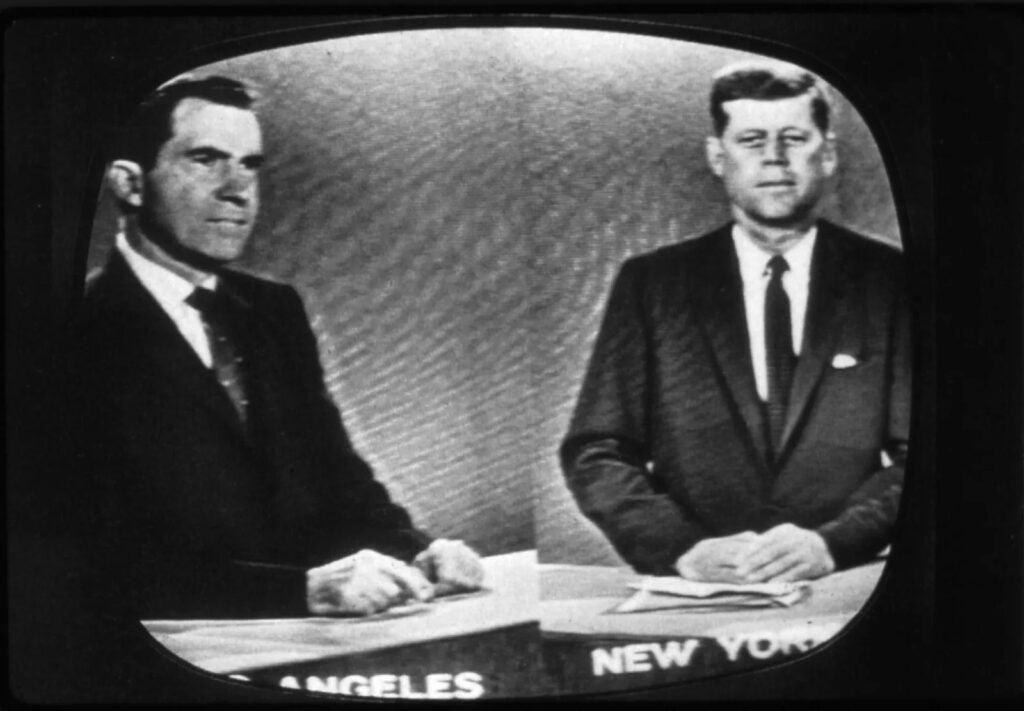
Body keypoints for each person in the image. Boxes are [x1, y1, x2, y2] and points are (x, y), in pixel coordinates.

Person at [65, 76, 483, 619]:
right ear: (130, 183)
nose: (238, 189)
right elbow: (85, 564)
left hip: (306, 646)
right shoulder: (72, 329)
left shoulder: (274, 310)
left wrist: (417, 550)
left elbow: (339, 480)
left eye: (250, 165)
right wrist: (299, 593)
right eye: (206, 159)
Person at [561, 61, 910, 585]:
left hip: (845, 585)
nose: (774, 158)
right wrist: (681, 549)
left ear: (829, 153)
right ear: (717, 158)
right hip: (700, 594)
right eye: (751, 139)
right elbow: (596, 451)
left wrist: (835, 542)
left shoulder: (893, 280)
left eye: (793, 137)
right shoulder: (652, 285)